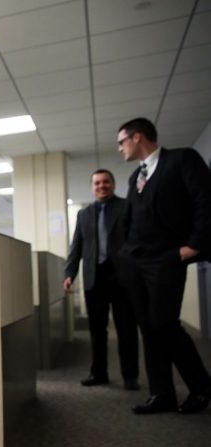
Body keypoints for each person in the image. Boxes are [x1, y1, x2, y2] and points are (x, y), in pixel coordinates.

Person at [116, 117, 211, 414]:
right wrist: (125, 254)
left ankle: (202, 387)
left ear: (137, 137)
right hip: (137, 262)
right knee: (148, 327)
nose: (119, 148)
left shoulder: (182, 159)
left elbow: (205, 201)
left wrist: (194, 244)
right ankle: (162, 394)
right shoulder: (135, 177)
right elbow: (131, 218)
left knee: (164, 324)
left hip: (167, 257)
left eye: (121, 142)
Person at [64, 169, 139, 390]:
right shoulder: (84, 214)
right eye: (97, 183)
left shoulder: (127, 207)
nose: (101, 186)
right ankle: (99, 373)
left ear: (113, 184)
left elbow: (136, 240)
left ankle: (130, 376)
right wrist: (69, 273)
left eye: (106, 182)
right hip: (94, 278)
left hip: (122, 278)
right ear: (92, 187)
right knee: (97, 331)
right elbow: (76, 246)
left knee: (126, 329)